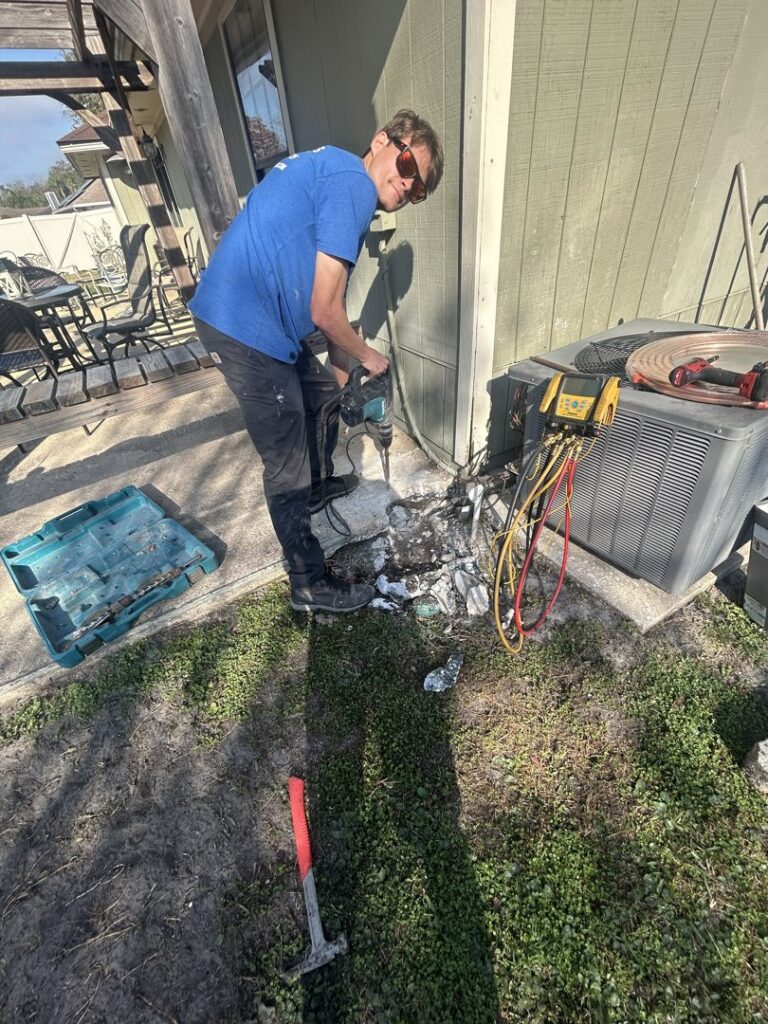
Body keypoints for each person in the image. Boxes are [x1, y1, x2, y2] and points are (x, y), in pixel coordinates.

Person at [189, 110, 444, 613]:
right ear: (382, 142)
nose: (408, 184)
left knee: (324, 397)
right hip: (243, 326)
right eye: (409, 164)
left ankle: (318, 486)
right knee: (286, 461)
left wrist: (348, 376)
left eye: (419, 189)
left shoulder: (336, 176)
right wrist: (372, 358)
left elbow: (331, 312)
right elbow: (326, 313)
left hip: (261, 324)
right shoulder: (352, 185)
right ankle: (307, 581)